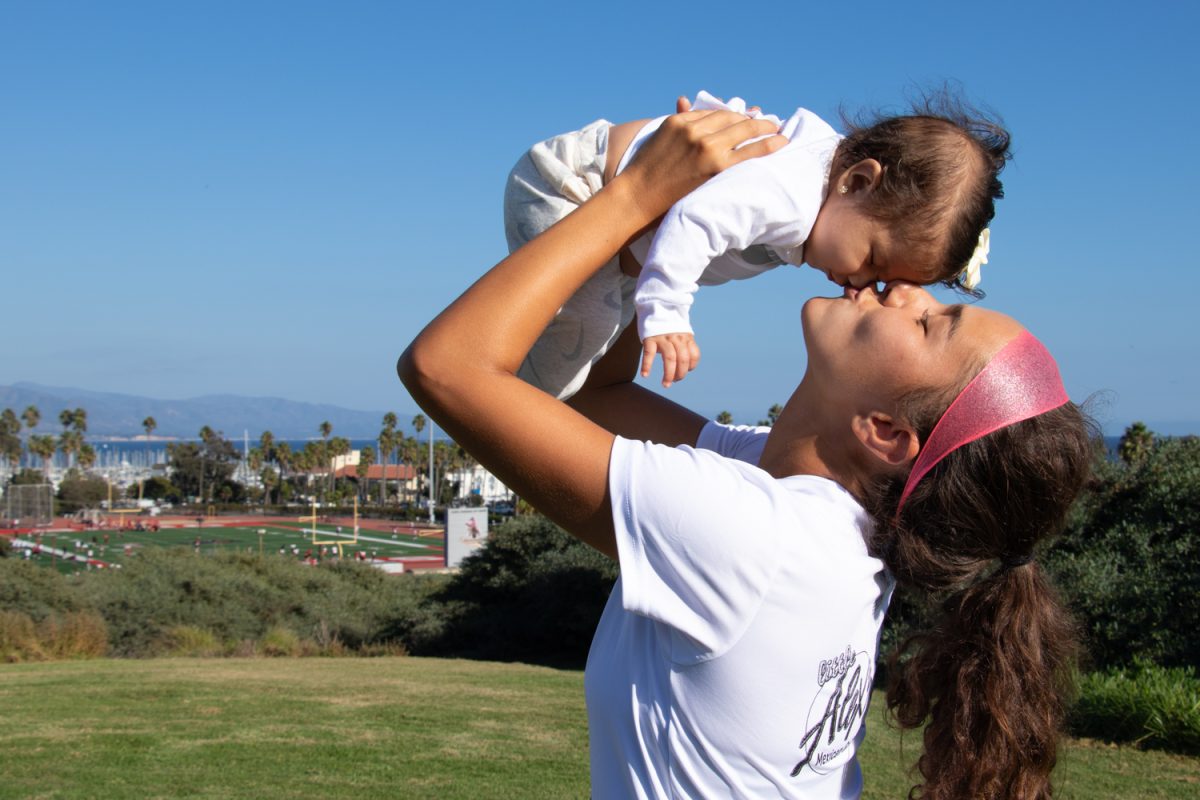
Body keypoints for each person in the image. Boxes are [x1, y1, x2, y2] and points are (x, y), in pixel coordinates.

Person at [401, 107, 1090, 799]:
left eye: (931, 322)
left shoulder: (759, 538)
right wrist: (658, 231)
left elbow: (445, 368)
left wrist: (637, 195)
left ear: (884, 431)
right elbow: (595, 396)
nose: (901, 289)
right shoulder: (811, 513)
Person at [505, 90, 1009, 397]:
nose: (860, 284)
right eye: (873, 260)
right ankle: (494, 396)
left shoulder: (813, 182)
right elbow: (695, 221)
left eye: (879, 280)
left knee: (584, 354)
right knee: (564, 369)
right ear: (856, 181)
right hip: (572, 187)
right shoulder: (792, 197)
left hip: (603, 215)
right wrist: (668, 314)